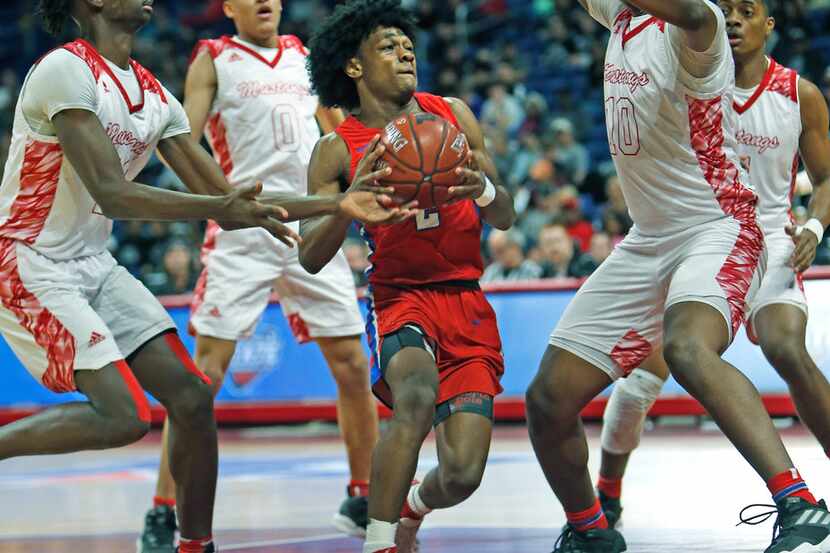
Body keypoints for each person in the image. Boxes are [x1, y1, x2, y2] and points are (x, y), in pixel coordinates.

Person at [0, 3, 408, 553]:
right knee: (125, 417)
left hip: (93, 262)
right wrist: (222, 205)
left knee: (192, 397)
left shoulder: (151, 93)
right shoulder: (64, 71)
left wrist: (337, 203)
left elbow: (229, 202)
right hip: (29, 259)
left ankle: (195, 544)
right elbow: (113, 194)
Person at [524, 1, 830, 552]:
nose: (739, 16)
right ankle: (593, 526)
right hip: (647, 238)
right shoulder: (620, 13)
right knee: (547, 398)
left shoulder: (702, 21)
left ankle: (798, 500)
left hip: (719, 224)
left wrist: (813, 223)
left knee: (696, 350)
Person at [138, 2, 384, 549]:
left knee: (350, 361)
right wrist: (219, 200)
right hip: (242, 230)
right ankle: (162, 510)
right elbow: (183, 137)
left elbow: (338, 130)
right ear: (229, 7)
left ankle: (364, 493)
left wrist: (365, 167)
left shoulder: (302, 55)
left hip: (310, 224)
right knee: (203, 377)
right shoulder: (214, 58)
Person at [300, 2, 516, 551]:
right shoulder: (335, 151)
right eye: (388, 45)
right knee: (415, 394)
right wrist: (346, 206)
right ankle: (379, 541)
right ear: (353, 67)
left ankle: (413, 509)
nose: (406, 52)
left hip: (467, 303)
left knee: (462, 475)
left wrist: (483, 189)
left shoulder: (454, 115)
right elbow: (309, 255)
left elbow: (505, 215)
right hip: (402, 300)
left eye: (408, 44)